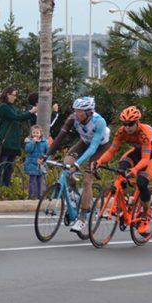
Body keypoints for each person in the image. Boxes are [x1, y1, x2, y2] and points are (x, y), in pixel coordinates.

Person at [92, 106, 152, 235]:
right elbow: (111, 151)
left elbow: (145, 159)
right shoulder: (121, 132)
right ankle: (124, 202)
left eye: (130, 124)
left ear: (137, 122)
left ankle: (145, 215)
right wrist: (99, 161)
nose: (127, 127)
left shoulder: (144, 133)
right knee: (122, 168)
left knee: (142, 182)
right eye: (125, 124)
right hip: (139, 151)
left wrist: (136, 169)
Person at [42, 96, 110, 234]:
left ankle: (83, 217)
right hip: (84, 142)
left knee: (86, 180)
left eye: (79, 112)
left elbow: (93, 148)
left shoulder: (99, 122)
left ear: (89, 112)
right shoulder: (73, 118)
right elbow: (60, 137)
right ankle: (75, 195)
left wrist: (78, 164)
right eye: (75, 110)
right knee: (66, 166)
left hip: (100, 147)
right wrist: (46, 155)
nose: (76, 114)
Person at [0, 87, 36, 186]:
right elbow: (17, 117)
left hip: (13, 142)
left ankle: (6, 185)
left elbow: (20, 114)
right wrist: (31, 112)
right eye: (14, 95)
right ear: (8, 94)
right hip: (5, 141)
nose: (15, 97)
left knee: (9, 166)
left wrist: (31, 113)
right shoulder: (3, 107)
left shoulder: (11, 107)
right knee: (1, 165)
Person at [24, 125, 48, 199]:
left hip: (40, 164)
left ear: (40, 134)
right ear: (31, 134)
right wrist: (33, 142)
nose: (35, 134)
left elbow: (48, 152)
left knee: (40, 181)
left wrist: (46, 160)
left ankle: (40, 195)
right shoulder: (29, 141)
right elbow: (28, 150)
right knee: (31, 180)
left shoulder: (44, 142)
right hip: (31, 163)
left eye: (37, 132)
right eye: (34, 132)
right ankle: (31, 195)